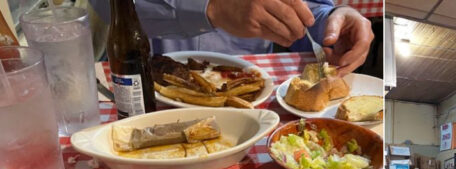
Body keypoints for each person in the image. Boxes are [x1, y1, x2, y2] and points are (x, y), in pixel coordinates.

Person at [90, 0, 374, 75]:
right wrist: (211, 8)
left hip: (250, 89)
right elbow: (106, 5)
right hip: (151, 84)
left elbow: (307, 8)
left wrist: (332, 20)